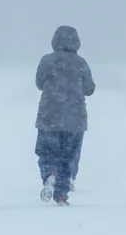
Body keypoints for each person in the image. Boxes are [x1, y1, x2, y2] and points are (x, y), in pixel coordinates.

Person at [35, 25, 95, 205]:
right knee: (68, 156)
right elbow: (90, 88)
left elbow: (39, 83)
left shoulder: (47, 61)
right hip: (74, 118)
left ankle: (49, 174)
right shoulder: (81, 63)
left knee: (47, 152)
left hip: (49, 117)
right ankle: (61, 194)